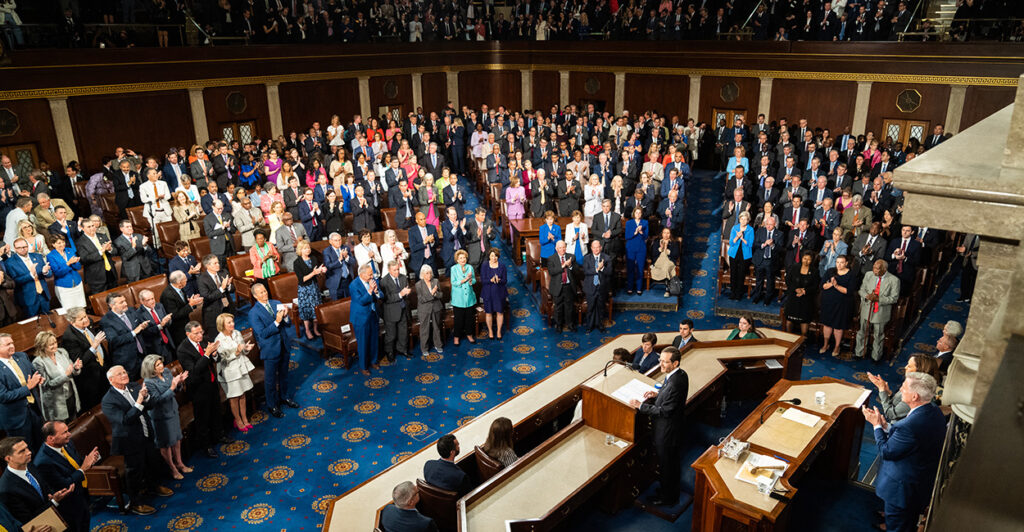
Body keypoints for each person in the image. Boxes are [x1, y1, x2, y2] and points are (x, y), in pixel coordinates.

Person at [861, 372, 946, 532]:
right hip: (920, 480)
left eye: (904, 387)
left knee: (900, 525)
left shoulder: (909, 426)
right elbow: (911, 440)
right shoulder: (933, 411)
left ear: (914, 397)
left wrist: (876, 426)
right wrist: (885, 425)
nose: (900, 388)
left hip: (903, 488)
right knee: (904, 518)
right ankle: (890, 518)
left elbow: (887, 451)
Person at [101, 365, 173, 516]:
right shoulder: (108, 401)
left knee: (152, 461)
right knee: (134, 472)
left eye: (124, 371)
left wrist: (146, 398)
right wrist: (139, 401)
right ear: (111, 380)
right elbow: (126, 420)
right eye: (119, 374)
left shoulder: (133, 386)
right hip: (129, 440)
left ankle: (154, 486)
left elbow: (151, 405)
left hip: (146, 433)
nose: (124, 375)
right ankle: (136, 503)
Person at [628, 346, 688, 507]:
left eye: (664, 362)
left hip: (667, 432)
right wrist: (657, 394)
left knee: (667, 465)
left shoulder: (675, 383)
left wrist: (641, 406)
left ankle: (668, 498)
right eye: (660, 360)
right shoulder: (679, 375)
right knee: (669, 464)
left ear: (675, 363)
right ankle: (667, 492)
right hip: (672, 429)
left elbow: (665, 411)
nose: (660, 364)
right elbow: (668, 394)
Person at [35, 420, 102, 532]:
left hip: (82, 493)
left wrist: (91, 460)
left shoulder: (67, 443)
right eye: (64, 432)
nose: (69, 434)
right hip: (69, 505)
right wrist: (83, 469)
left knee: (86, 522)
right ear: (51, 438)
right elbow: (65, 485)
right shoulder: (43, 462)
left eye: (68, 430)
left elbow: (77, 463)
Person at [176, 321, 228, 457]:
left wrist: (215, 354)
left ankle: (219, 435)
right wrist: (206, 355)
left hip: (211, 382)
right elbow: (194, 371)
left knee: (216, 411)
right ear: (188, 334)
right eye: (196, 333)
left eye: (201, 332)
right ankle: (207, 446)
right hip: (198, 389)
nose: (200, 335)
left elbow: (215, 359)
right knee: (203, 418)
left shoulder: (204, 340)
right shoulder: (183, 350)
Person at [0, 436, 76, 524]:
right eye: (22, 451)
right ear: (8, 458)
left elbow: (44, 487)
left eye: (27, 448)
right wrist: (54, 501)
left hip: (57, 516)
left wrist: (53, 495)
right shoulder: (5, 489)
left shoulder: (30, 465)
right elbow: (27, 519)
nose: (29, 452)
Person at [248, 284, 296, 417]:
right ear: (255, 296)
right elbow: (262, 333)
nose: (265, 294)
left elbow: (288, 324)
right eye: (261, 293)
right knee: (270, 380)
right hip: (270, 350)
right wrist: (276, 322)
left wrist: (285, 317)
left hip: (284, 344)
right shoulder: (253, 313)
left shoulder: (276, 303)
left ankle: (285, 397)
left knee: (284, 374)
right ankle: (272, 405)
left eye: (265, 291)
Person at [139, 355, 190, 480]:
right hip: (160, 417)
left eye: (161, 363)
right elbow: (157, 400)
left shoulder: (166, 372)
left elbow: (175, 390)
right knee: (166, 443)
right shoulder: (148, 382)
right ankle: (172, 468)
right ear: (150, 368)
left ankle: (179, 463)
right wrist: (172, 387)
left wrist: (179, 383)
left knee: (177, 438)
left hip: (172, 410)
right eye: (157, 365)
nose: (161, 366)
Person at [867, 355, 942, 423]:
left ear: (919, 371)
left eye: (909, 366)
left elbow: (891, 414)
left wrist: (882, 390)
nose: (905, 367)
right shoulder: (914, 383)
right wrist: (888, 392)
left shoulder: (917, 392)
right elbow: (898, 403)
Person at [214, 313, 256, 433]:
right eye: (229, 322)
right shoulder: (219, 340)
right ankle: (237, 420)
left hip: (241, 367)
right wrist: (236, 353)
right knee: (234, 397)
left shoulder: (237, 333)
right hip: (229, 371)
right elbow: (222, 359)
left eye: (232, 321)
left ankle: (244, 418)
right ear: (222, 325)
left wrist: (245, 349)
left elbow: (242, 350)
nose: (232, 324)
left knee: (242, 394)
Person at [61, 308, 107, 411]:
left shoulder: (88, 323)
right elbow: (81, 361)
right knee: (97, 407)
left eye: (85, 316)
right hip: (90, 379)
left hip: (102, 369)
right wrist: (94, 345)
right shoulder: (69, 337)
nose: (85, 320)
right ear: (72, 322)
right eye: (81, 319)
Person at [856, 260, 901, 361]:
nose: (874, 271)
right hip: (867, 308)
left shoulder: (894, 280)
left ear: (884, 269)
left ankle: (875, 357)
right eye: (874, 268)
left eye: (877, 269)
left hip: (880, 312)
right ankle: (859, 353)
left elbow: (894, 298)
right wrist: (867, 296)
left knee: (878, 335)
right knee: (862, 332)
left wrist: (878, 299)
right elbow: (861, 290)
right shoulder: (868, 275)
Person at [31, 331, 80, 423]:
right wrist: (65, 375)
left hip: (71, 395)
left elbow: (72, 371)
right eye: (51, 345)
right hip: (56, 402)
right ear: (42, 346)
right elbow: (47, 384)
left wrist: (76, 368)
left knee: (74, 423)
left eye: (55, 343)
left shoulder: (62, 352)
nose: (55, 346)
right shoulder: (38, 362)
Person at [100, 293, 148, 380]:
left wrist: (143, 326)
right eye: (121, 302)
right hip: (127, 361)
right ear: (112, 305)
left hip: (142, 354)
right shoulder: (107, 321)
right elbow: (114, 341)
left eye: (125, 301)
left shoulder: (131, 310)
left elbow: (139, 326)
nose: (125, 304)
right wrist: (133, 332)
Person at [818, 255, 857, 357]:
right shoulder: (830, 271)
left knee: (838, 326)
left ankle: (837, 346)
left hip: (842, 305)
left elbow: (848, 291)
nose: (839, 265)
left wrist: (836, 286)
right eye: (837, 262)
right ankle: (826, 344)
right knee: (827, 324)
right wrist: (831, 284)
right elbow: (822, 286)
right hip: (828, 303)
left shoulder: (851, 275)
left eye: (842, 262)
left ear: (846, 263)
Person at [5, 237, 51, 317]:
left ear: (27, 246)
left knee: (48, 320)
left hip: (43, 295)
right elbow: (15, 281)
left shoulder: (38, 256)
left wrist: (45, 272)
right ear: (15, 249)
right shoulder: (10, 262)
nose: (22, 249)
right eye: (19, 248)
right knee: (32, 325)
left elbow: (49, 274)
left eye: (24, 247)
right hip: (28, 299)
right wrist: (30, 275)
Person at [349, 264, 381, 376]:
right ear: (362, 275)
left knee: (374, 340)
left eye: (372, 273)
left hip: (373, 314)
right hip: (361, 318)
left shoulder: (372, 281)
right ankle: (363, 366)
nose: (372, 276)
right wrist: (370, 291)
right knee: (363, 342)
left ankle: (373, 361)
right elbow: (361, 301)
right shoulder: (353, 285)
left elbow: (380, 294)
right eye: (370, 274)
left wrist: (376, 291)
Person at [292, 240, 326, 340]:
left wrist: (321, 271)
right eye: (305, 248)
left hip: (314, 288)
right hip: (304, 290)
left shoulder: (314, 258)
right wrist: (314, 273)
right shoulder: (297, 262)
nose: (308, 250)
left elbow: (317, 274)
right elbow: (302, 279)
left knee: (316, 309)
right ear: (300, 250)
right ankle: (307, 330)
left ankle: (315, 329)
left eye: (309, 248)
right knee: (306, 311)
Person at [161, 271, 203, 347]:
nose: (187, 280)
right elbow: (174, 315)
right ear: (179, 282)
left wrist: (192, 301)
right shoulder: (168, 295)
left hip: (185, 323)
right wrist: (190, 304)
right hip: (177, 329)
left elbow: (182, 304)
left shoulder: (179, 288)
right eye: (185, 279)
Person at [42, 234, 84, 310]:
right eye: (59, 243)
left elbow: (78, 267)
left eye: (63, 242)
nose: (62, 244)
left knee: (81, 307)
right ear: (53, 244)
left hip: (77, 282)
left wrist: (75, 262)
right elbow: (58, 273)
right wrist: (68, 263)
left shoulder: (70, 250)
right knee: (70, 310)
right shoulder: (51, 256)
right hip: (64, 286)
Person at [75, 218, 115, 294]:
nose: (92, 228)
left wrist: (110, 249)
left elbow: (115, 250)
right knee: (101, 300)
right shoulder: (80, 242)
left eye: (93, 225)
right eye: (89, 227)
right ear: (82, 228)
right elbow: (84, 259)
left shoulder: (102, 236)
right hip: (96, 277)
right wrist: (101, 251)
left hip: (110, 272)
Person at [134, 289, 173, 363]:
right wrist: (161, 325)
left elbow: (168, 322)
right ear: (142, 302)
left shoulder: (159, 306)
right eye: (148, 300)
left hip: (167, 342)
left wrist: (168, 321)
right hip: (154, 347)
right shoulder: (138, 314)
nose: (152, 301)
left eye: (153, 298)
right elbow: (146, 332)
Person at [476, 248, 508, 339]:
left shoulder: (502, 266)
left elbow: (505, 280)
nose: (494, 258)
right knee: (489, 313)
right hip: (488, 293)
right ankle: (490, 331)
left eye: (496, 256)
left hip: (499, 293)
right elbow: (483, 280)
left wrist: (499, 280)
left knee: (500, 312)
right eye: (492, 256)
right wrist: (491, 280)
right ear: (489, 256)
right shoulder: (485, 265)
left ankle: (498, 331)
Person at [582, 240, 612, 333]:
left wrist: (602, 268)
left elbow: (609, 272)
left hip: (601, 287)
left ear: (601, 248)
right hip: (590, 287)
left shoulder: (607, 258)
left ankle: (600, 325)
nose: (596, 249)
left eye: (597, 247)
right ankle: (589, 326)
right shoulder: (587, 258)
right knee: (590, 308)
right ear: (591, 248)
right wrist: (597, 269)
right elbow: (586, 271)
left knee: (600, 307)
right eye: (594, 247)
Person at [547, 240, 577, 332]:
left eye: (564, 247)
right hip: (557, 286)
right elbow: (552, 272)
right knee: (558, 307)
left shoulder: (571, 257)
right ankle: (558, 325)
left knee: (569, 307)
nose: (562, 249)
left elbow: (577, 271)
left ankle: (570, 324)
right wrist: (563, 265)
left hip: (568, 286)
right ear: (556, 249)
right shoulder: (551, 258)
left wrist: (571, 265)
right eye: (560, 247)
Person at [416, 265, 444, 356]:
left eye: (430, 273)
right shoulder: (418, 285)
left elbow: (441, 295)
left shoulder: (435, 281)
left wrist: (435, 294)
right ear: (422, 274)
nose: (429, 275)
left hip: (436, 307)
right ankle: (424, 348)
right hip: (424, 309)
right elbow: (422, 299)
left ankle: (438, 345)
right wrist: (431, 293)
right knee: (424, 329)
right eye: (427, 273)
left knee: (437, 327)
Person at [450, 250, 477, 346]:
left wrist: (470, 280)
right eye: (460, 258)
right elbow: (454, 282)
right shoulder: (453, 269)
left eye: (464, 257)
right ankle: (456, 337)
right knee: (458, 319)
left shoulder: (470, 267)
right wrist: (464, 280)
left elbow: (474, 280)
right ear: (457, 260)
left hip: (469, 298)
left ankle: (469, 335)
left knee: (469, 318)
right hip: (458, 299)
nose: (463, 259)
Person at [727, 211, 754, 301]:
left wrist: (742, 238)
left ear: (748, 220)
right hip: (734, 253)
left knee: (741, 274)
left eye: (745, 219)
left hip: (745, 255)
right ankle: (732, 292)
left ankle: (739, 293)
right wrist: (737, 237)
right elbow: (731, 242)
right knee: (733, 273)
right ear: (739, 219)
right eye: (741, 219)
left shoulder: (750, 230)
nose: (743, 221)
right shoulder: (735, 228)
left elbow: (750, 244)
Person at [624, 207, 649, 295]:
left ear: (641, 214)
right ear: (634, 214)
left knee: (640, 268)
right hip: (630, 248)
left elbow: (646, 237)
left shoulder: (645, 222)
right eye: (636, 213)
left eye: (639, 213)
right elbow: (626, 236)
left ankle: (639, 288)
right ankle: (630, 288)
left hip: (641, 248)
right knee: (630, 268)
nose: (638, 214)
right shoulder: (629, 223)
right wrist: (635, 232)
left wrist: (641, 232)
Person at [204, 200, 235, 267]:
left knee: (233, 266)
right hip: (219, 248)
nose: (220, 210)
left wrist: (229, 227)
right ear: (213, 207)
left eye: (222, 208)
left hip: (230, 245)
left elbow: (234, 230)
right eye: (218, 208)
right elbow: (209, 234)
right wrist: (222, 228)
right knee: (222, 268)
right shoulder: (208, 219)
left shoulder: (227, 215)